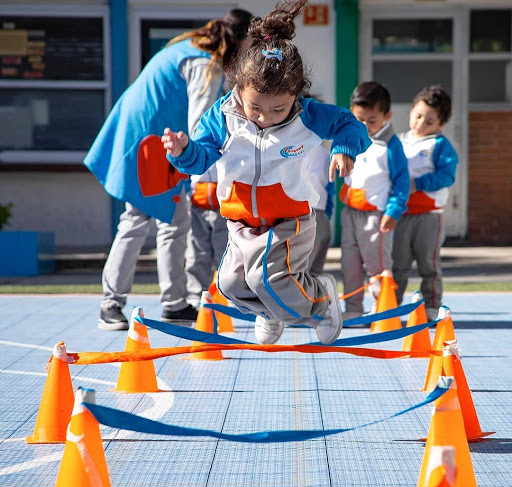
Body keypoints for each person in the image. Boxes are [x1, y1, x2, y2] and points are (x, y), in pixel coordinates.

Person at [161, 0, 371, 345]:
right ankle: (269, 312)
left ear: (296, 96)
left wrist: (344, 148)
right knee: (229, 285)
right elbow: (201, 159)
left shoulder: (308, 114)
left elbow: (351, 125)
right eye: (255, 106)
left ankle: (321, 298)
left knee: (265, 278)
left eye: (279, 109)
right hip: (242, 220)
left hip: (291, 219)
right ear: (239, 88)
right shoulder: (223, 115)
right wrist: (184, 152)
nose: (264, 117)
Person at [84, 9, 253, 330]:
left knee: (175, 220)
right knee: (137, 218)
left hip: (152, 138)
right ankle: (111, 303)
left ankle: (174, 303)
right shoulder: (206, 65)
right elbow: (200, 126)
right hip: (149, 143)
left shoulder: (192, 44)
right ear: (240, 43)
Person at [340, 81, 410, 321]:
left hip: (376, 217)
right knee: (349, 265)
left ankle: (383, 311)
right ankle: (353, 310)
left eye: (371, 121)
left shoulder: (391, 146)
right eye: (359, 119)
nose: (365, 126)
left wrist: (394, 211)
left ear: (386, 115)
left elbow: (402, 182)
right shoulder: (349, 136)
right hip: (350, 214)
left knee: (377, 266)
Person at [392, 84, 458, 321]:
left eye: (429, 121)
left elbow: (447, 176)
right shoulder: (397, 141)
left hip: (429, 216)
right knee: (397, 263)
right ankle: (392, 305)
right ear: (411, 111)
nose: (421, 123)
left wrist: (417, 183)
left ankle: (431, 305)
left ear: (440, 124)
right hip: (399, 213)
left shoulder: (441, 145)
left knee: (428, 263)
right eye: (418, 116)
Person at [184, 162, 228, 309]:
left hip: (223, 204)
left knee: (225, 253)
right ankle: (196, 294)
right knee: (197, 252)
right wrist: (188, 195)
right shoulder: (192, 139)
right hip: (197, 203)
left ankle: (228, 293)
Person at [307, 144, 335, 276]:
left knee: (308, 271)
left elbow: (330, 186)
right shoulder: (324, 153)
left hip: (315, 213)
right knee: (309, 271)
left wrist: (326, 212)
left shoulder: (324, 153)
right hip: (312, 213)